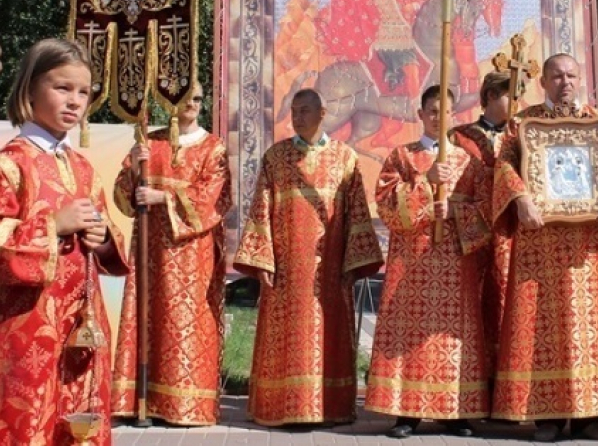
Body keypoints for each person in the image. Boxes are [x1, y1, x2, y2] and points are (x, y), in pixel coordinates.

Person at [490, 53, 598, 442]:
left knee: (593, 326)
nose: (564, 82)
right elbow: (504, 166)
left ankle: (590, 418)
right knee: (542, 328)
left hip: (592, 245)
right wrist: (520, 199)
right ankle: (545, 418)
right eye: (556, 76)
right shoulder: (522, 123)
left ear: (579, 80)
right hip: (541, 243)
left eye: (570, 75)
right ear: (543, 82)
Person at [0, 38, 128, 445]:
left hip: (82, 325)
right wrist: (52, 225)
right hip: (27, 326)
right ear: (29, 89)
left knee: (80, 417)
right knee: (29, 420)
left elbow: (110, 234)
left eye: (84, 92)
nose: (74, 101)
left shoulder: (83, 168)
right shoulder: (11, 163)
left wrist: (103, 237)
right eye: (62, 87)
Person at [234, 88, 384, 427]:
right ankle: (281, 407)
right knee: (286, 337)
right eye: (294, 111)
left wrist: (353, 263)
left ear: (323, 112)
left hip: (330, 270)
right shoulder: (275, 157)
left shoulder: (346, 158)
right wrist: (263, 260)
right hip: (286, 269)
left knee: (327, 335)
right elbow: (261, 210)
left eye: (304, 110)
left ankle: (328, 408)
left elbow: (357, 213)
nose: (297, 117)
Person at [366, 85, 492, 438]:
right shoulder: (402, 156)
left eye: (445, 111)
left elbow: (485, 215)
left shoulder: (469, 161)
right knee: (410, 334)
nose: (438, 117)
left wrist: (456, 210)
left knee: (451, 338)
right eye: (432, 111)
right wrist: (424, 183)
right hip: (413, 261)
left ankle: (455, 411)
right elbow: (387, 205)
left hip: (455, 263)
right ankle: (406, 412)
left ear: (454, 115)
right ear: (420, 114)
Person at [110, 83, 233, 425]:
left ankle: (187, 406)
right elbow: (123, 198)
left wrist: (163, 198)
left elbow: (215, 198)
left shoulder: (214, 147)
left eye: (196, 98)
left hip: (193, 252)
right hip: (150, 248)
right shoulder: (150, 143)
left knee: (187, 324)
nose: (191, 104)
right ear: (169, 100)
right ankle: (144, 400)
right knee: (150, 316)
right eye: (184, 98)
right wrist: (135, 168)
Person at [450, 71, 512, 379]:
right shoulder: (460, 136)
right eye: (508, 95)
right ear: (489, 96)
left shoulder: (523, 136)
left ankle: (507, 387)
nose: (515, 104)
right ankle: (474, 384)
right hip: (471, 234)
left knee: (508, 305)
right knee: (475, 305)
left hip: (511, 232)